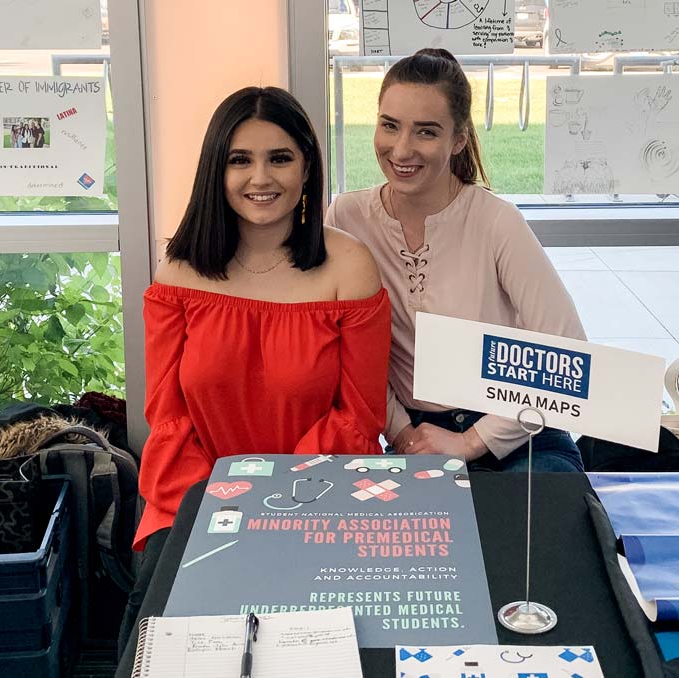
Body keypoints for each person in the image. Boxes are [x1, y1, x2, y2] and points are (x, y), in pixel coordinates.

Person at [120, 86, 390, 654]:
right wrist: (222, 506)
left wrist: (274, 509)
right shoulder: (180, 270)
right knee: (160, 644)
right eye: (239, 159)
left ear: (307, 166)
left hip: (321, 498)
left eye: (280, 158)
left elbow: (358, 419)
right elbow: (167, 419)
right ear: (215, 170)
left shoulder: (350, 267)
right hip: (191, 501)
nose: (259, 178)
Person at [326, 48, 587, 473]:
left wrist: (470, 441)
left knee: (530, 534)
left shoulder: (496, 221)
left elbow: (569, 354)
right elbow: (348, 354)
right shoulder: (346, 217)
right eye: (390, 126)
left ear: (459, 139)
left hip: (519, 436)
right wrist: (403, 434)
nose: (401, 149)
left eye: (426, 132)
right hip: (417, 435)